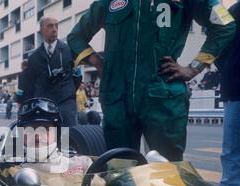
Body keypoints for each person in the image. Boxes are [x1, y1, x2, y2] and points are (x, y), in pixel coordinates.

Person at [67, 0, 236, 161]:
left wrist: (194, 67)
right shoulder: (108, 2)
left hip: (164, 97)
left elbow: (226, 23)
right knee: (119, 170)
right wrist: (97, 62)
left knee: (167, 172)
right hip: (117, 98)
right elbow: (75, 37)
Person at [2, 98, 92, 186]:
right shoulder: (16, 174)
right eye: (30, 129)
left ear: (57, 133)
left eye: (46, 129)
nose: (38, 135)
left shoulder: (83, 163)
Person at [20, 17, 78, 127]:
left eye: (56, 25)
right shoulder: (33, 58)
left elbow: (77, 78)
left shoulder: (69, 51)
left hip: (65, 101)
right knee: (46, 139)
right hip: (44, 105)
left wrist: (68, 93)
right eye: (50, 26)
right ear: (41, 30)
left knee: (67, 138)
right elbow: (30, 85)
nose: (54, 29)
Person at [219, 0, 240, 186]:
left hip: (234, 90)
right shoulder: (229, 11)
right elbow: (216, 42)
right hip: (236, 91)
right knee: (232, 153)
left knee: (232, 152)